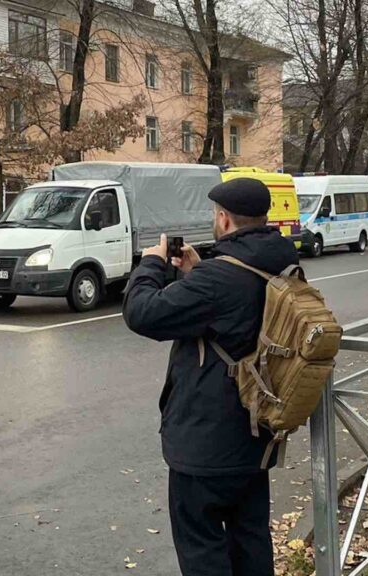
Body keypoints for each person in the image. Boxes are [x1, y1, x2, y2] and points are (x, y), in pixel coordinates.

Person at [122, 178, 300, 576]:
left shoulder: (219, 279)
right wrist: (197, 272)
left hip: (206, 443)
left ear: (223, 218)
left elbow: (142, 313)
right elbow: (236, 317)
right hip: (257, 433)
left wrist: (151, 262)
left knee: (203, 549)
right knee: (250, 540)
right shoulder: (283, 263)